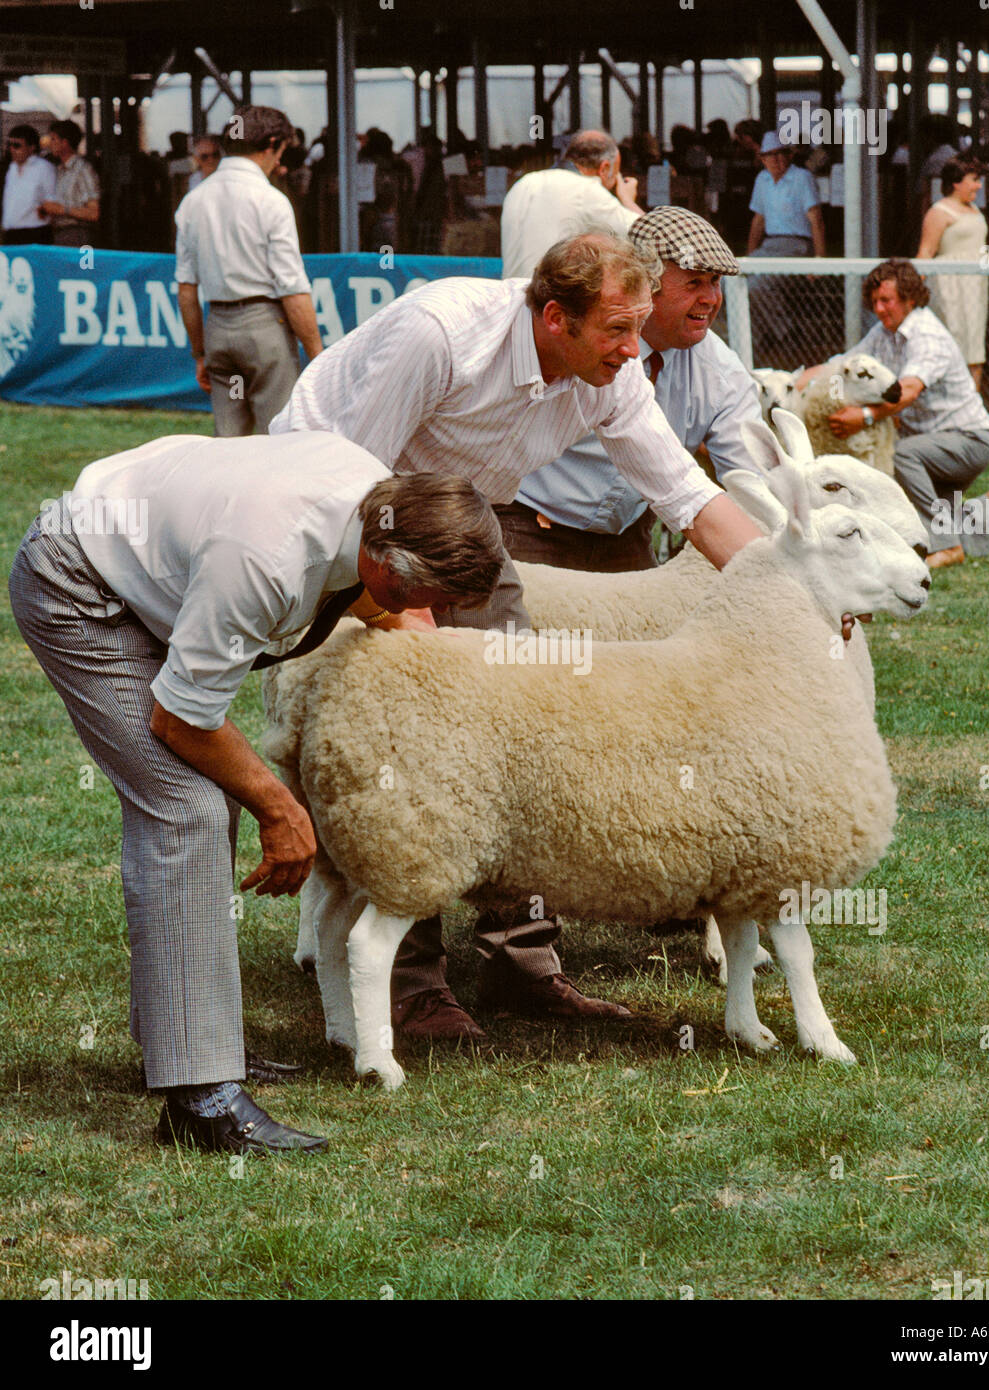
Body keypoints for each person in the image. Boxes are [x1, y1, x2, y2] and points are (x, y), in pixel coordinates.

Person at [270, 232, 765, 1037]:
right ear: (553, 318)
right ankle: (411, 982)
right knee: (409, 738)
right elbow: (352, 477)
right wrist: (409, 619)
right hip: (348, 512)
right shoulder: (441, 335)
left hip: (468, 513)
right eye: (616, 330)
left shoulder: (611, 372)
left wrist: (783, 587)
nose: (634, 350)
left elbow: (683, 491)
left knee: (519, 724)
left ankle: (524, 961)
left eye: (640, 327)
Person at [8, 436, 504, 1154]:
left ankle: (185, 1047)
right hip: (79, 583)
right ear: (384, 568)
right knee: (189, 810)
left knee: (209, 801)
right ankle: (200, 1102)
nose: (433, 611)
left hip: (147, 550)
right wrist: (282, 808)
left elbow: (390, 610)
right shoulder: (267, 559)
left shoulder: (383, 505)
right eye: (427, 598)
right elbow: (180, 719)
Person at [499, 206, 761, 574]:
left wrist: (791, 570)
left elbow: (752, 478)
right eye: (694, 282)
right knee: (516, 628)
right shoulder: (575, 343)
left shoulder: (721, 374)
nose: (710, 298)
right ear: (645, 281)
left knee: (645, 629)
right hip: (529, 525)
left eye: (715, 281)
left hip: (626, 540)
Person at [798, 258, 989, 572]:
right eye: (874, 301)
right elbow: (842, 364)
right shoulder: (883, 332)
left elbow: (909, 389)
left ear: (910, 298)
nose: (879, 308)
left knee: (900, 455)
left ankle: (948, 548)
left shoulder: (927, 335)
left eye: (886, 300)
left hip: (967, 441)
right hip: (929, 444)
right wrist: (795, 383)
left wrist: (865, 415)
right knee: (919, 519)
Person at [175, 105, 322, 436]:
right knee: (275, 438)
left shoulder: (193, 201)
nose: (279, 162)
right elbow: (293, 288)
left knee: (230, 440)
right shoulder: (270, 201)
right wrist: (316, 354)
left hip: (218, 331)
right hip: (263, 329)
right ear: (271, 143)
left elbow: (186, 291)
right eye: (281, 150)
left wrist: (199, 352)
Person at [917, 155, 989, 389]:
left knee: (974, 347)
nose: (978, 185)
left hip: (975, 287)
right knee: (951, 343)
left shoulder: (975, 210)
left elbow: (983, 249)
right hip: (949, 286)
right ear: (956, 182)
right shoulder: (938, 212)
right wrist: (912, 290)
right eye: (974, 179)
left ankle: (971, 406)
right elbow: (926, 251)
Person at [500, 129, 643, 279]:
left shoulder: (524, 182)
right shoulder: (586, 189)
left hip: (511, 295)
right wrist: (627, 200)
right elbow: (652, 234)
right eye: (615, 175)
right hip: (545, 298)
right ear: (604, 168)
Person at [746, 130, 825, 350]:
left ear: (790, 155)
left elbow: (816, 219)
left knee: (756, 285)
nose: (777, 159)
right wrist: (747, 260)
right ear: (762, 159)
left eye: (781, 154)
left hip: (797, 245)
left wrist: (819, 260)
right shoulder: (762, 179)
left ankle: (786, 333)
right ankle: (757, 339)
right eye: (770, 155)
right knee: (730, 279)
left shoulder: (802, 177)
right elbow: (758, 221)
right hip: (770, 245)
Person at [39, 119, 99, 247]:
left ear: (65, 143)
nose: (50, 144)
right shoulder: (59, 171)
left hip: (77, 234)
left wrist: (62, 209)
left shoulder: (83, 170)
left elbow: (94, 213)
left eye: (53, 139)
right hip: (59, 233)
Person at [2, 125, 55, 245]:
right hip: (11, 233)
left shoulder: (44, 168)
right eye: (9, 145)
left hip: (35, 233)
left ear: (31, 148)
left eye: (17, 145)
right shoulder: (11, 168)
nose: (11, 149)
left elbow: (52, 200)